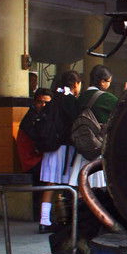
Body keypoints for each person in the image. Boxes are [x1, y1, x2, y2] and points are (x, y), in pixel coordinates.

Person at [67, 65, 127, 190]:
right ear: (102, 82)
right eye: (109, 82)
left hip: (82, 148)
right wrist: (126, 93)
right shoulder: (107, 98)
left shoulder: (80, 98)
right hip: (99, 148)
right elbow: (124, 111)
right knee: (100, 189)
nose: (109, 85)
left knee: (82, 186)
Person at [39, 71, 81, 233]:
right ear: (76, 84)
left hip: (51, 148)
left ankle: (44, 221)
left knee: (50, 184)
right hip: (65, 149)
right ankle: (70, 219)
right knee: (71, 184)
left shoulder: (52, 100)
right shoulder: (71, 101)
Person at [16, 88, 52, 174]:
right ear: (34, 102)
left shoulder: (41, 116)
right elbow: (41, 142)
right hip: (33, 162)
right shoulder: (32, 119)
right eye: (40, 102)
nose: (43, 105)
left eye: (47, 103)